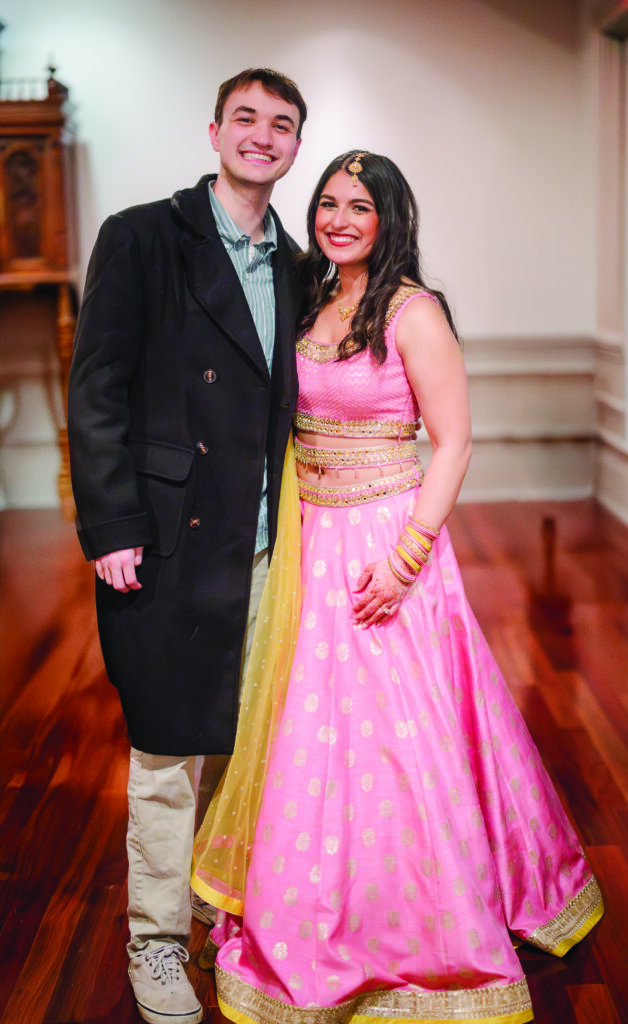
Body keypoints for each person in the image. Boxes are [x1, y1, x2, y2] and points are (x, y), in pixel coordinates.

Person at [191, 152, 604, 1024]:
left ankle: (421, 923)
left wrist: (407, 556)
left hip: (385, 544)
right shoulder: (308, 299)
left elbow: (452, 442)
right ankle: (311, 901)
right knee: (310, 733)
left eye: (360, 207)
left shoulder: (412, 312)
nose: (339, 218)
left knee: (398, 742)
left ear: (389, 220)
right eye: (329, 203)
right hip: (312, 537)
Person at [67, 68, 307, 1024]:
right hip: (168, 538)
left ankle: (224, 917)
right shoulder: (141, 237)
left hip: (268, 544)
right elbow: (97, 392)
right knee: (169, 752)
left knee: (252, 747)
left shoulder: (298, 266)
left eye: (280, 125)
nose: (261, 135)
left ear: (293, 147)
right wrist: (114, 523)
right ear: (213, 131)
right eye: (245, 118)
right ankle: (156, 943)